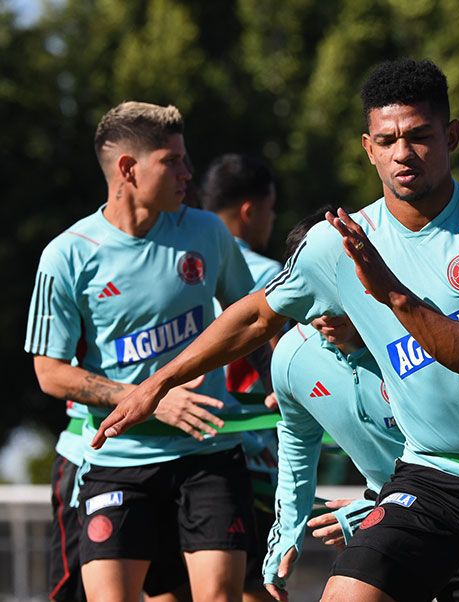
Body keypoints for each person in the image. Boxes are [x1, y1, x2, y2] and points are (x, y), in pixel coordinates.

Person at [92, 60, 459, 602]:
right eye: (388, 140)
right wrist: (157, 385)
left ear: (453, 136)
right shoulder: (336, 242)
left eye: (420, 135)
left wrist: (392, 294)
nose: (405, 153)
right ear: (367, 149)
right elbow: (255, 315)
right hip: (434, 479)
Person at [26, 101, 263, 602]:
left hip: (208, 451)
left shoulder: (207, 232)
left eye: (185, 158)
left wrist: (287, 385)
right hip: (118, 459)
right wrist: (148, 397)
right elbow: (49, 372)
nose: (188, 172)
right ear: (129, 169)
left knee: (222, 594)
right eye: (171, 161)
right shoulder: (68, 254)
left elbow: (253, 322)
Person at [262, 214, 459, 602]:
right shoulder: (290, 357)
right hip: (400, 518)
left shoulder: (422, 332)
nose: (323, 311)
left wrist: (373, 507)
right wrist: (287, 535)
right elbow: (294, 440)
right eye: (309, 294)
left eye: (331, 289)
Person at [200, 153, 283, 602]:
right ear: (250, 210)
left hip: (179, 456)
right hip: (250, 459)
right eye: (270, 211)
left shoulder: (180, 270)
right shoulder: (269, 277)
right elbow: (287, 367)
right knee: (258, 588)